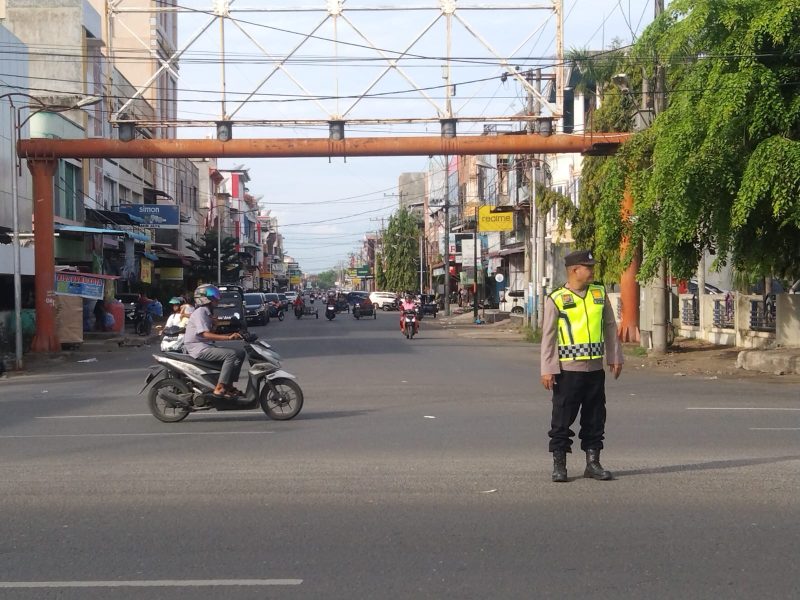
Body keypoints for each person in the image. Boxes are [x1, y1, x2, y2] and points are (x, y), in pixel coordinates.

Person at [540, 249, 623, 483]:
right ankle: (560, 465)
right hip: (568, 371)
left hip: (595, 370)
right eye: (589, 267)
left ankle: (593, 463)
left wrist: (615, 357)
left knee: (595, 417)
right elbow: (548, 336)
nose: (592, 271)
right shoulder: (556, 298)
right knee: (562, 418)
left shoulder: (598, 293)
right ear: (575, 270)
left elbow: (609, 326)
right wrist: (547, 368)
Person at [183, 284, 245, 399]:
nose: (218, 298)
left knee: (240, 353)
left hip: (205, 345)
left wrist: (231, 334)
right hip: (199, 348)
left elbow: (210, 333)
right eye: (214, 295)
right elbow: (205, 335)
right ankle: (220, 387)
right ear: (205, 298)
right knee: (231, 355)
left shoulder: (207, 313)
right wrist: (227, 338)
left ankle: (229, 386)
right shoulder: (200, 312)